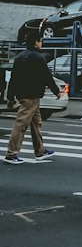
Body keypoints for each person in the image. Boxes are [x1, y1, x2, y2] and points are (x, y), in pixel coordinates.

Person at [5, 34, 59, 163]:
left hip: (23, 94)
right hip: (32, 96)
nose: (41, 43)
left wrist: (10, 97)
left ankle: (40, 151)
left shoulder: (19, 57)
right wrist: (56, 91)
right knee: (21, 124)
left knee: (36, 123)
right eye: (40, 41)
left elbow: (13, 78)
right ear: (36, 43)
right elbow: (47, 76)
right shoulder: (39, 58)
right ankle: (11, 154)